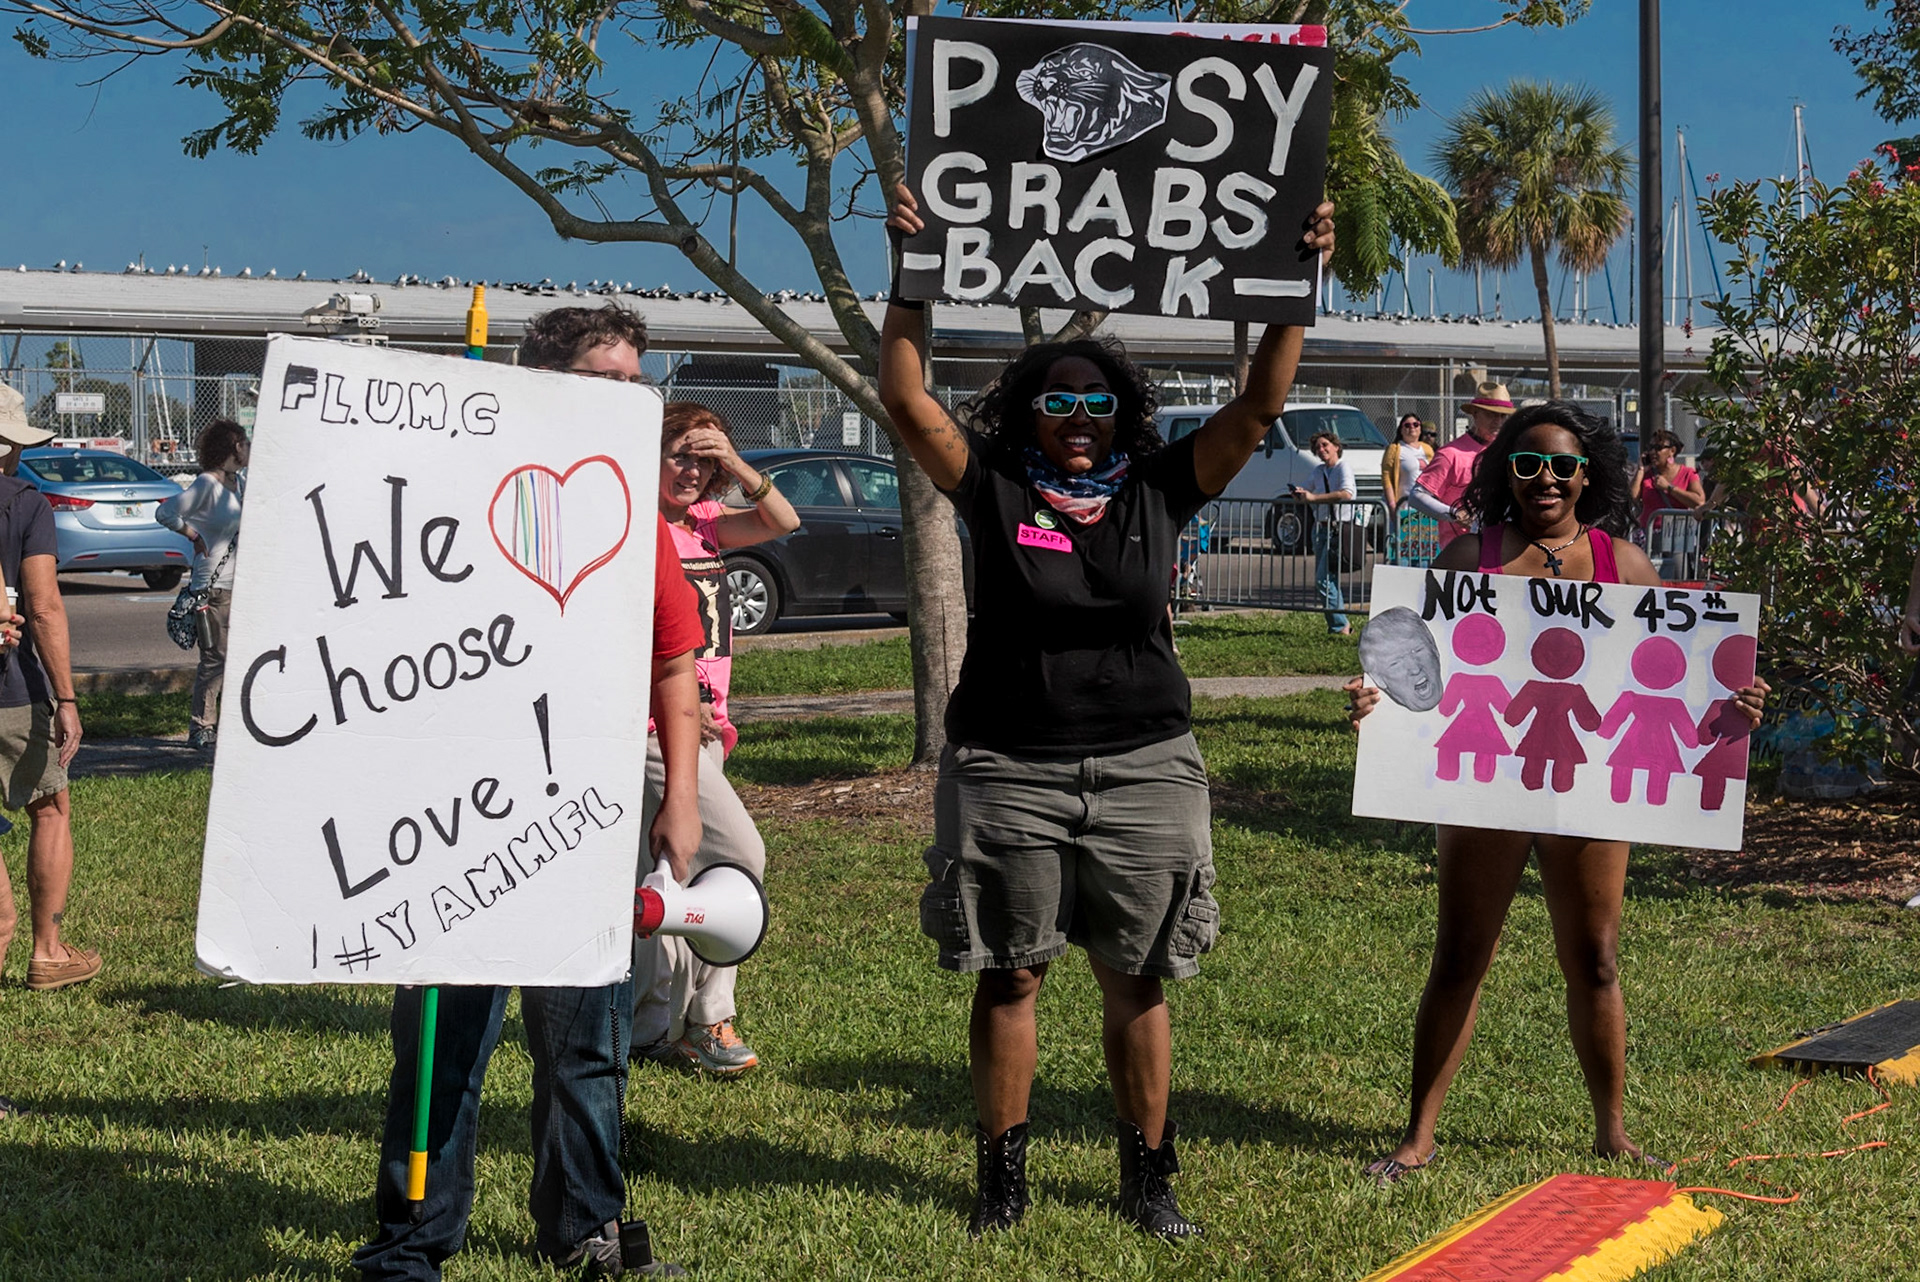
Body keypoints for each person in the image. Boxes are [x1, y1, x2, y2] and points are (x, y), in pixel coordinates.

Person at [880, 184, 1335, 1240]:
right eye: (1058, 401)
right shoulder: (990, 483)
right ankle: (1002, 1176)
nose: (1078, 419)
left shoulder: (1160, 488)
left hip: (1144, 764)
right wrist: (912, 273)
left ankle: (1148, 1174)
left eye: (1097, 403)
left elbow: (1261, 404)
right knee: (1011, 975)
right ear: (1027, 409)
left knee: (1138, 976)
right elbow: (906, 399)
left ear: (1120, 413)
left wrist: (1292, 286)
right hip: (1007, 763)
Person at [354, 305, 702, 1281]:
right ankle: (412, 1242)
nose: (630, 399)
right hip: (456, 822)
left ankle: (587, 1230)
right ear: (541, 384)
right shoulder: (451, 495)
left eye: (640, 382)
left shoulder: (633, 515)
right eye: (607, 381)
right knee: (440, 1046)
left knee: (585, 1050)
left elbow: (674, 659)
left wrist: (678, 796)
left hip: (581, 828)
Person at [1345, 401, 1769, 1184]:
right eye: (1529, 462)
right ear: (1505, 469)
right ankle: (1418, 1136)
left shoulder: (1626, 565)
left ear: (1588, 476)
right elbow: (1417, 673)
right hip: (1484, 789)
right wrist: (1376, 703)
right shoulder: (1470, 557)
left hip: (1590, 790)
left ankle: (1613, 1132)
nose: (1546, 478)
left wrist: (1735, 707)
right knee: (1460, 957)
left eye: (1563, 465)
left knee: (1598, 961)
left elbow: (1680, 685)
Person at [631, 401, 798, 1075]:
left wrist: (731, 460)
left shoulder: (703, 524)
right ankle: (711, 1017)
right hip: (656, 728)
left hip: (708, 732)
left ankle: (649, 1024)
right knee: (738, 855)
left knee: (667, 875)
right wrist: (679, 700)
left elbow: (782, 520)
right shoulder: (637, 526)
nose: (692, 470)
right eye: (680, 454)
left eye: (705, 460)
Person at [0, 383, 95, 993]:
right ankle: (48, 951)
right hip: (13, 692)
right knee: (49, 806)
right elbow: (44, 607)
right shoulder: (24, 502)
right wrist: (66, 697)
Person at [154, 418, 249, 752]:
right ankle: (201, 726)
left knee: (240, 657)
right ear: (233, 447)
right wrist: (192, 535)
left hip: (242, 584)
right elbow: (166, 512)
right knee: (216, 657)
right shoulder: (206, 485)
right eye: (245, 443)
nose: (249, 448)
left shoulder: (240, 483)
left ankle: (233, 723)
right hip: (213, 585)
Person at [1407, 382, 1514, 547]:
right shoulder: (1450, 454)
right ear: (1475, 414)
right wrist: (1454, 513)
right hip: (1461, 553)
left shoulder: (1508, 452)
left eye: (1503, 416)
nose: (1498, 421)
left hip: (1501, 548)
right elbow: (1417, 496)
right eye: (1491, 414)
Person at [1289, 430, 1356, 635]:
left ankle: (1340, 626)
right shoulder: (1319, 471)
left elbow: (1347, 494)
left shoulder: (1343, 467)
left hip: (1337, 530)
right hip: (1320, 529)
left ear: (1336, 446)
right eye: (1318, 447)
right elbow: (1308, 490)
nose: (1321, 449)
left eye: (1325, 445)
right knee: (1329, 579)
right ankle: (1338, 625)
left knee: (1323, 580)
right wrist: (1299, 493)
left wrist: (1314, 499)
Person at [1630, 429, 1705, 576]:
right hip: (1649, 535)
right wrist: (1640, 469)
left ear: (1672, 451)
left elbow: (1699, 500)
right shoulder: (1648, 474)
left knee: (1677, 576)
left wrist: (1669, 488)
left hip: (1677, 537)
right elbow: (1633, 496)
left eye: (1658, 448)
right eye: (1650, 448)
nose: (1653, 452)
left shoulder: (1688, 473)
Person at [1382, 414, 1435, 565]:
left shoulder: (1427, 449)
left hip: (1424, 512)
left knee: (1424, 557)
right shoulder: (1395, 449)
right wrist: (1393, 506)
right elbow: (1386, 478)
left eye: (1416, 424)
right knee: (1402, 557)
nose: (1412, 428)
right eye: (1407, 425)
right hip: (1404, 510)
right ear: (1401, 429)